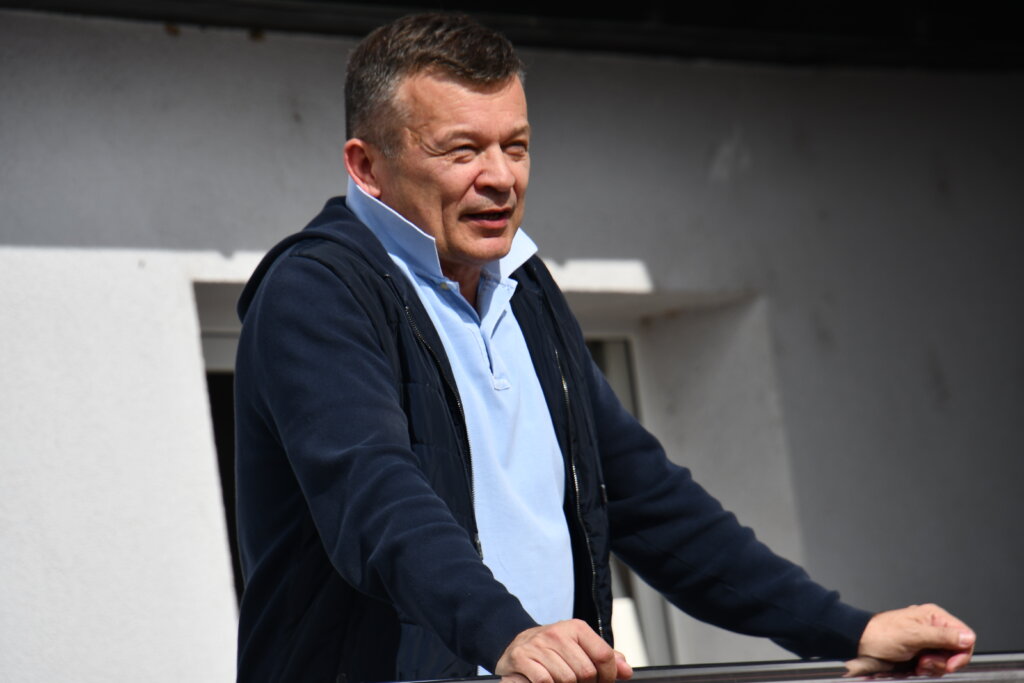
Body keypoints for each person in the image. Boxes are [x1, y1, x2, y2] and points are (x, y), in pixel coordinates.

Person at [233, 13, 975, 683]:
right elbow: (378, 503)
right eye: (462, 151)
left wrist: (846, 629)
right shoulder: (316, 292)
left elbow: (647, 499)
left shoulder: (523, 286)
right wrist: (509, 634)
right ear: (366, 166)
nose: (501, 178)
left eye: (516, 146)